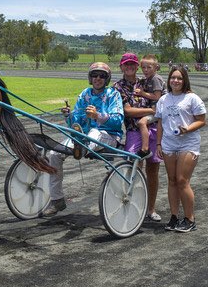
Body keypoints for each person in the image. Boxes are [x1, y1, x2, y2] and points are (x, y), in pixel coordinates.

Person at [41, 61, 124, 217]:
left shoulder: (113, 94)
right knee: (54, 154)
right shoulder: (84, 94)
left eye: (102, 76)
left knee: (93, 133)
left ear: (106, 79)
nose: (98, 78)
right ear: (90, 78)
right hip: (83, 137)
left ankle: (81, 147)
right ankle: (57, 200)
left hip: (108, 136)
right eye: (94, 75)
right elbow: (75, 123)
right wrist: (68, 116)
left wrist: (98, 116)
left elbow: (118, 120)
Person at [155, 65, 206, 233]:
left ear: (184, 81)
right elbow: (160, 122)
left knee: (182, 180)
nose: (175, 81)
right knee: (171, 180)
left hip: (188, 143)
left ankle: (190, 219)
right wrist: (158, 144)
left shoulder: (192, 98)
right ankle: (174, 217)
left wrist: (188, 129)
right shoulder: (164, 99)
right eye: (173, 78)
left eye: (179, 78)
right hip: (169, 143)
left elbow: (201, 120)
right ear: (168, 80)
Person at [113, 52, 163, 222]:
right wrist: (152, 111)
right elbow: (128, 111)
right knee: (131, 167)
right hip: (134, 131)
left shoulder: (146, 82)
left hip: (154, 129)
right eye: (126, 64)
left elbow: (159, 98)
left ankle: (150, 209)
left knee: (153, 170)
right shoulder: (118, 87)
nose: (130, 67)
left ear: (137, 66)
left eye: (133, 64)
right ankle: (132, 205)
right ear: (121, 67)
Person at [133, 54, 165, 156]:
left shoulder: (155, 79)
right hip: (155, 108)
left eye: (149, 67)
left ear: (156, 68)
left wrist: (142, 93)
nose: (146, 70)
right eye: (143, 67)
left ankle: (145, 148)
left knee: (142, 122)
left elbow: (157, 96)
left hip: (160, 109)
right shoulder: (148, 78)